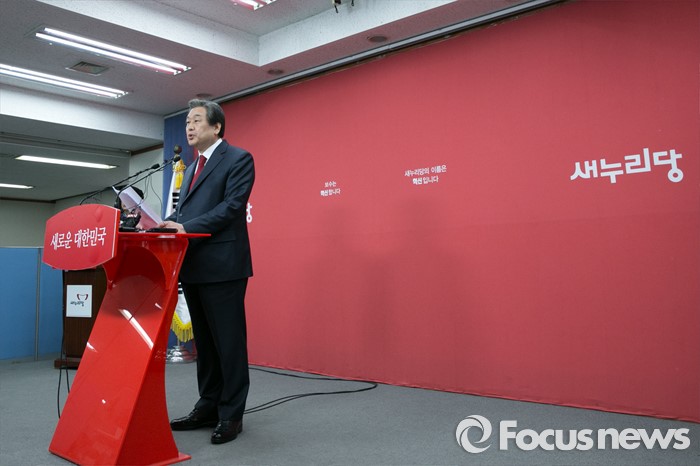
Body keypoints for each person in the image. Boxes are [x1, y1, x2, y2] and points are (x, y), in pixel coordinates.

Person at [160, 99, 255, 445]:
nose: (189, 127)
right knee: (205, 345)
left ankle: (231, 414)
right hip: (195, 266)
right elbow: (184, 214)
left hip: (224, 266)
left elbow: (232, 207)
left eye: (196, 120)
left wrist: (185, 228)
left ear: (216, 127)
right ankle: (208, 405)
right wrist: (165, 225)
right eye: (187, 122)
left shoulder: (239, 159)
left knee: (228, 344)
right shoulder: (190, 167)